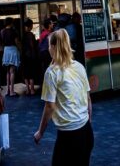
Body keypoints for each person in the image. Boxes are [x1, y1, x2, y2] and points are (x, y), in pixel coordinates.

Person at [34, 29, 93, 166]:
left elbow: (49, 106)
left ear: (54, 47)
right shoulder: (79, 67)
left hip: (69, 135)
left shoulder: (52, 73)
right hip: (85, 132)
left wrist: (40, 132)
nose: (48, 48)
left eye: (49, 45)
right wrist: (88, 121)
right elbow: (88, 98)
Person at [0, 18, 19, 98]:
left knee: (7, 71)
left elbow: (1, 42)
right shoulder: (14, 31)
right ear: (11, 23)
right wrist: (20, 49)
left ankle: (7, 90)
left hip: (6, 50)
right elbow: (17, 42)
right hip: (13, 49)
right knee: (12, 71)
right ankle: (12, 91)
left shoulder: (2, 31)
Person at [20, 18, 41, 96]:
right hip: (30, 56)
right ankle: (32, 90)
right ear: (30, 26)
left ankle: (28, 90)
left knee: (26, 74)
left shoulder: (23, 34)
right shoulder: (30, 34)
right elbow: (32, 46)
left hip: (24, 56)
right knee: (31, 73)